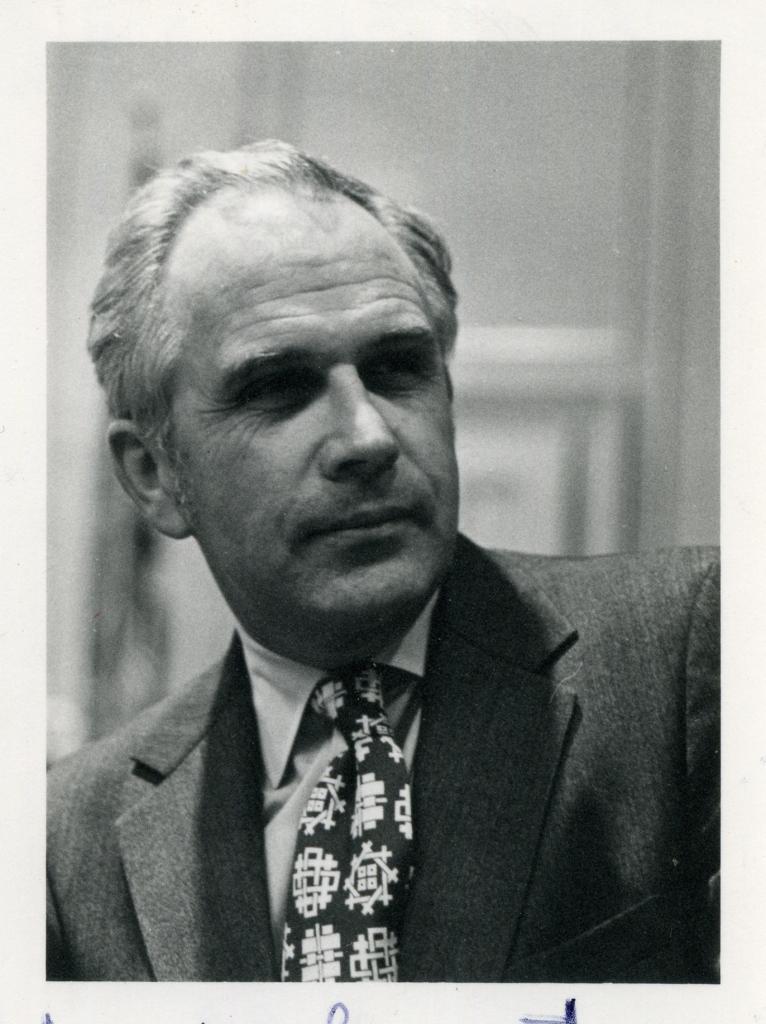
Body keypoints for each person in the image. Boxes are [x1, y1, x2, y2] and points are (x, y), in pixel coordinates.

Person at [47, 140, 719, 983]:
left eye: (399, 369)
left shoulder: (688, 655)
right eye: (279, 389)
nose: (366, 438)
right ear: (154, 476)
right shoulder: (67, 840)